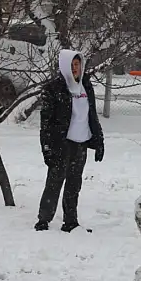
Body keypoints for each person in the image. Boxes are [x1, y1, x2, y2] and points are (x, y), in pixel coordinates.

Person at [34, 49, 105, 232]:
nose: (75, 68)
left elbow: (92, 116)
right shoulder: (54, 88)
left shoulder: (85, 86)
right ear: (64, 65)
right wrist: (47, 147)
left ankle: (70, 221)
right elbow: (46, 123)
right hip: (61, 143)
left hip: (81, 143)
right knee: (54, 182)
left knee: (74, 184)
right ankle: (44, 219)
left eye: (78, 64)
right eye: (72, 65)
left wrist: (98, 141)